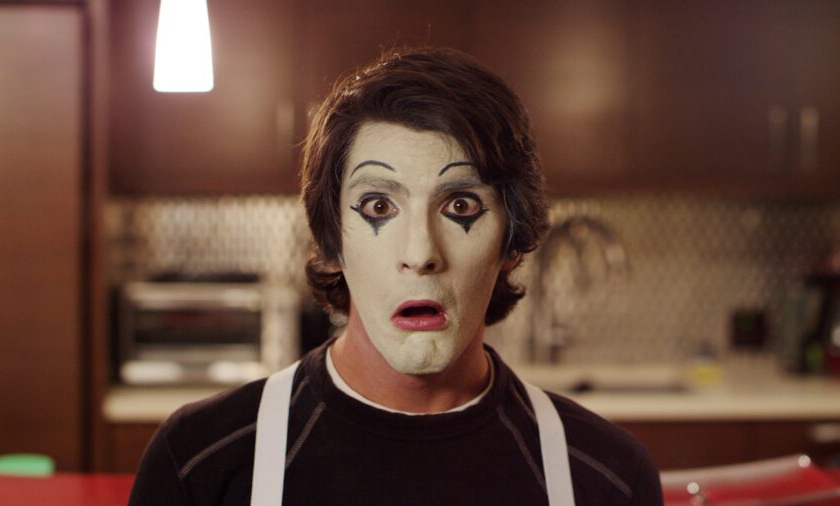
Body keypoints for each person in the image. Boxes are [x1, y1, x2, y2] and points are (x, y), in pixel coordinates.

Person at [129, 47, 663, 506]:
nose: (420, 254)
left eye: (460, 204)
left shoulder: (605, 477)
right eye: (379, 205)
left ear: (511, 243)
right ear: (332, 241)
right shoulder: (199, 464)